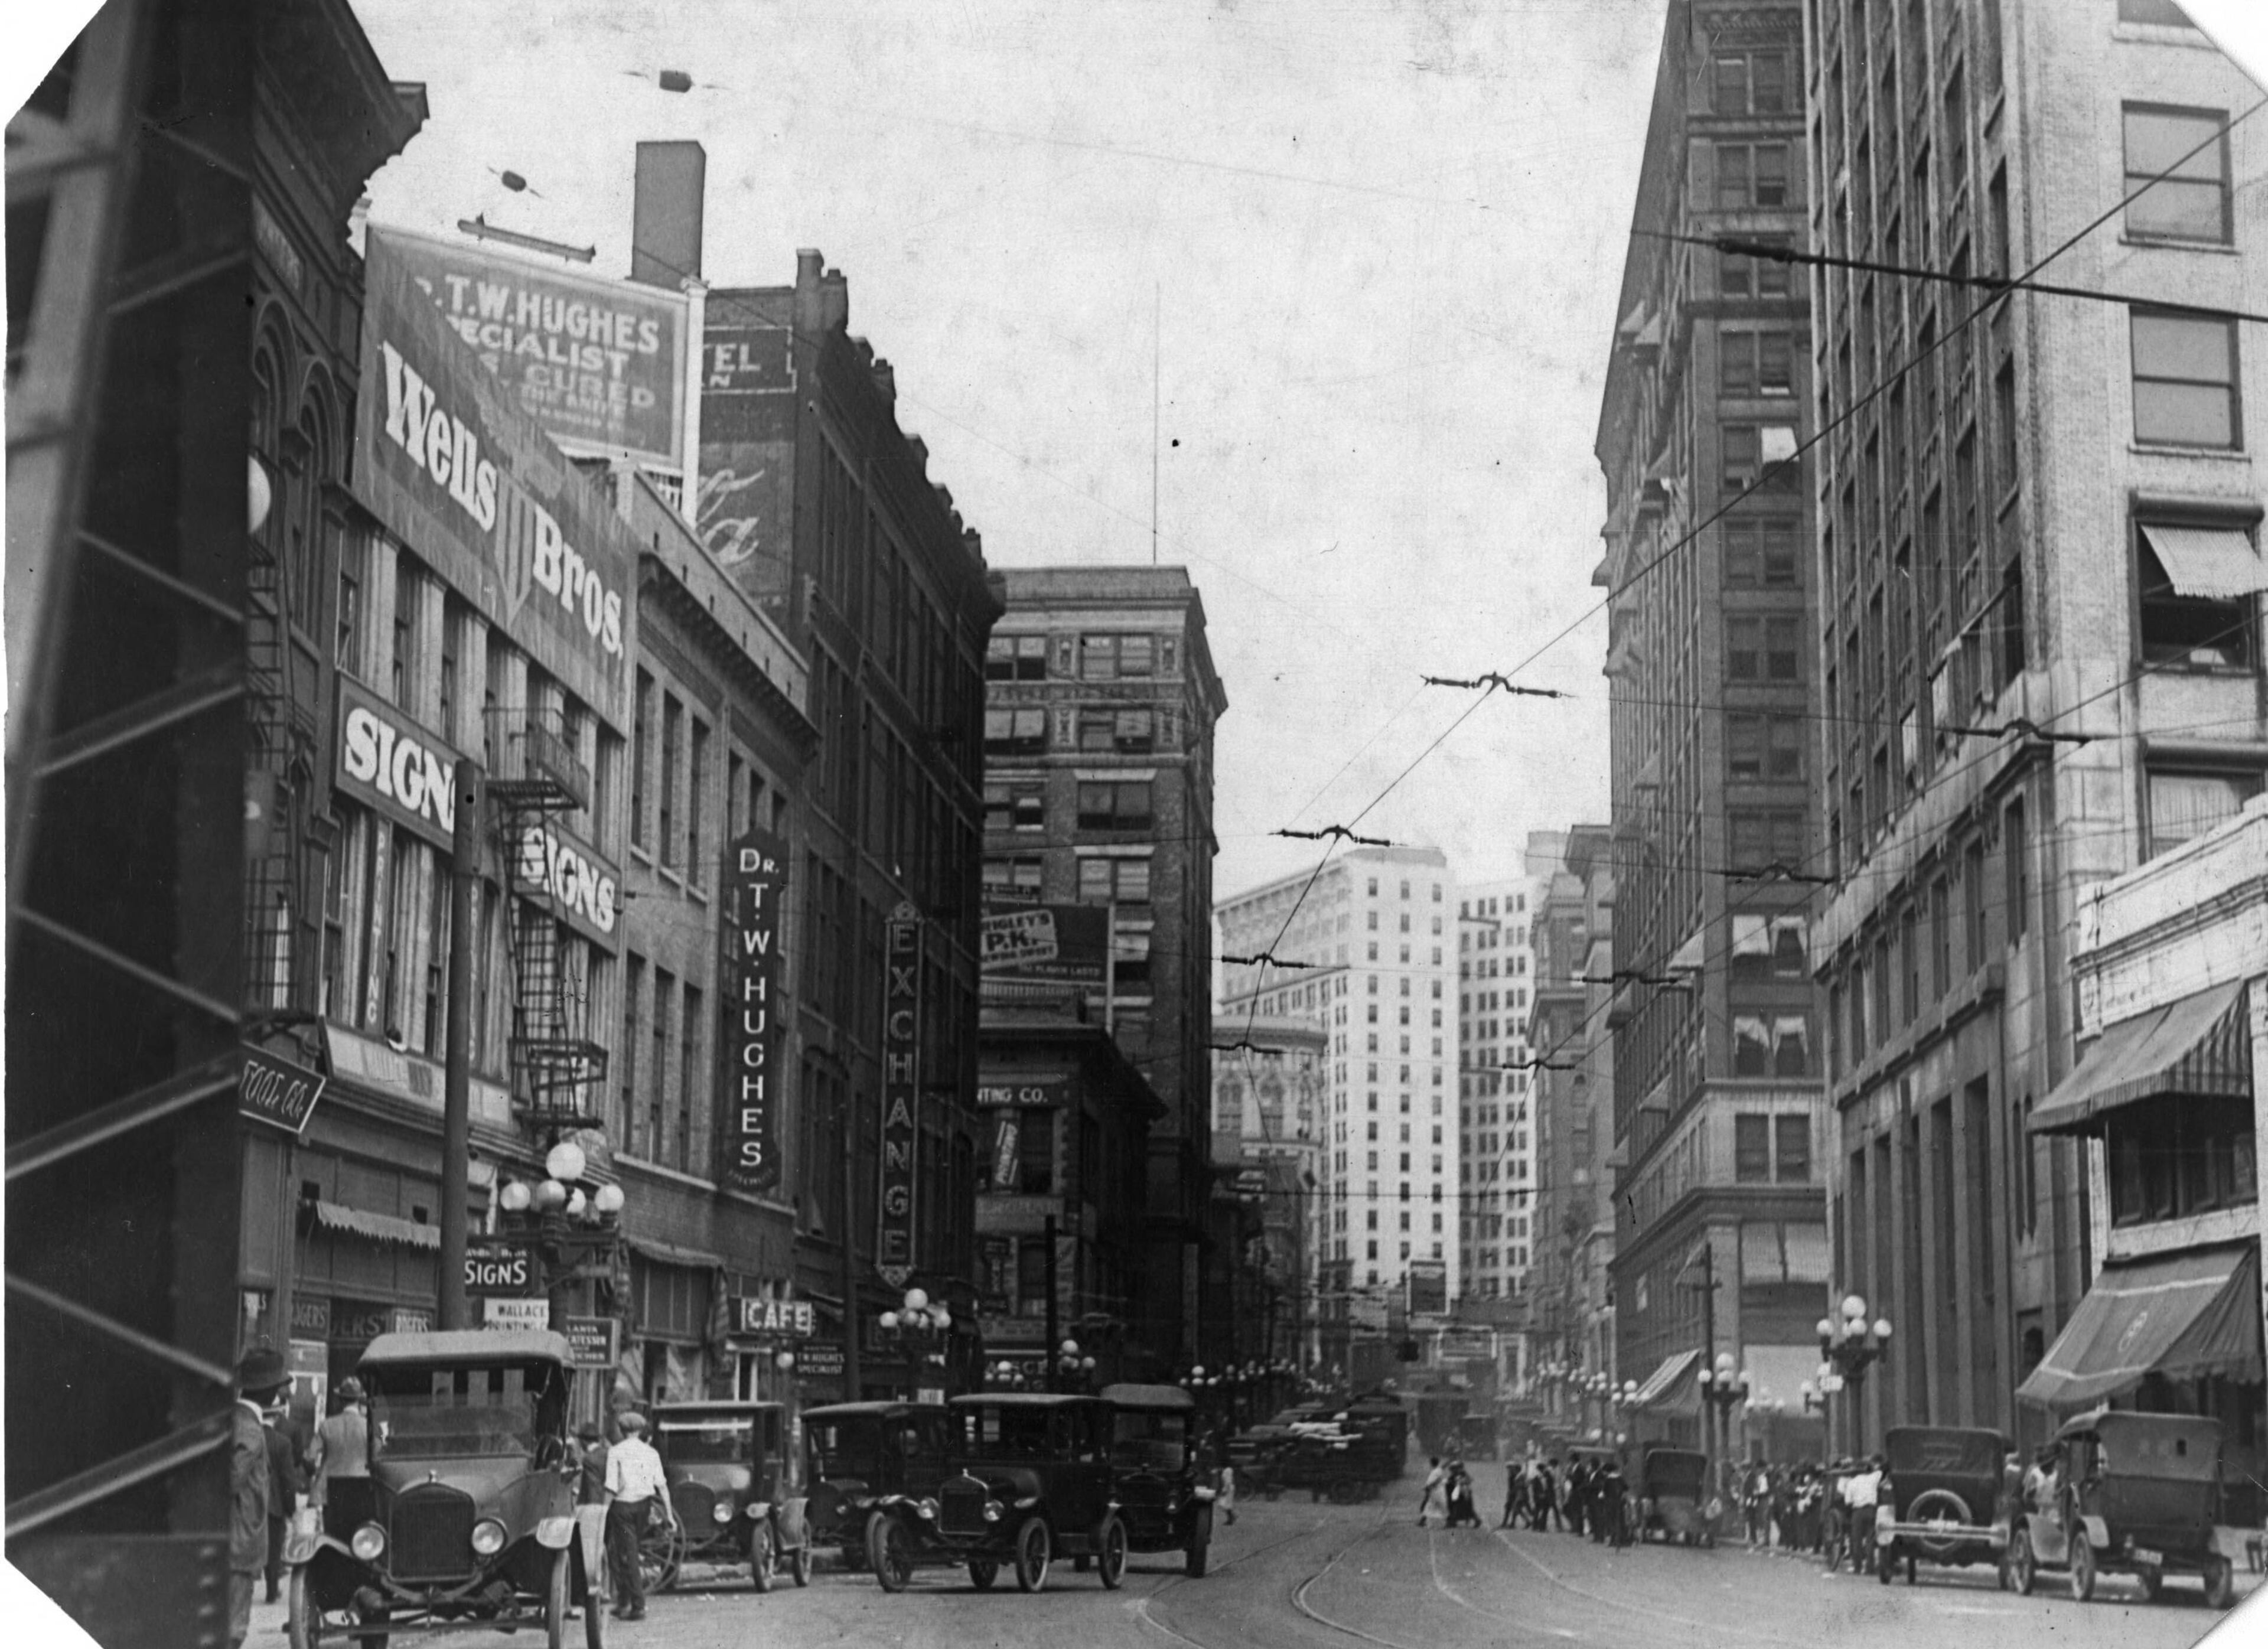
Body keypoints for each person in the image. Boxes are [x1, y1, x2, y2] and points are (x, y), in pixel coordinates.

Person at [231, 1347, 288, 1648]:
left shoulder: (237, 1420)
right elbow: (229, 1482)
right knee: (234, 1629)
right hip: (240, 1546)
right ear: (268, 1392)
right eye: (278, 1387)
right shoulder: (251, 1432)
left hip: (236, 1544)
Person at [604, 1412, 676, 1622]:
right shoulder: (651, 1453)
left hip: (622, 1512)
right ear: (640, 1430)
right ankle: (625, 1601)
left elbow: (611, 1486)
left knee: (628, 1553)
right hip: (643, 1509)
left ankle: (638, 1605)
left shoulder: (615, 1452)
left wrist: (602, 1512)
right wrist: (669, 1516)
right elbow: (662, 1486)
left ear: (622, 1430)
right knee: (625, 1551)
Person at [307, 1377, 369, 1510]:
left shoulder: (327, 1425)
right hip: (360, 1492)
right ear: (359, 1400)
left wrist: (315, 1472)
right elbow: (379, 1452)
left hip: (327, 1494)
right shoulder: (369, 1427)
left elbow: (309, 1457)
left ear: (340, 1399)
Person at [263, 1407, 304, 1602]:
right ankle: (272, 1591)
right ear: (276, 1417)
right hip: (274, 1504)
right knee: (273, 1548)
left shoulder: (250, 1436)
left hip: (250, 1502)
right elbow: (288, 1479)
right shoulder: (282, 1443)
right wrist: (290, 1508)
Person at [577, 1420, 611, 1505]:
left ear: (584, 1441)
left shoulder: (588, 1459)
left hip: (593, 1504)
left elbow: (590, 1487)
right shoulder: (607, 1453)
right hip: (607, 1502)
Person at [1416, 1456, 1446, 1527]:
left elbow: (1437, 1480)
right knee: (1430, 1506)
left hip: (1436, 1491)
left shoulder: (1436, 1471)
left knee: (1432, 1506)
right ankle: (1422, 1521)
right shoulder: (1438, 1470)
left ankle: (1448, 1522)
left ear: (1431, 1463)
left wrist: (1428, 1487)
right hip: (1436, 1491)